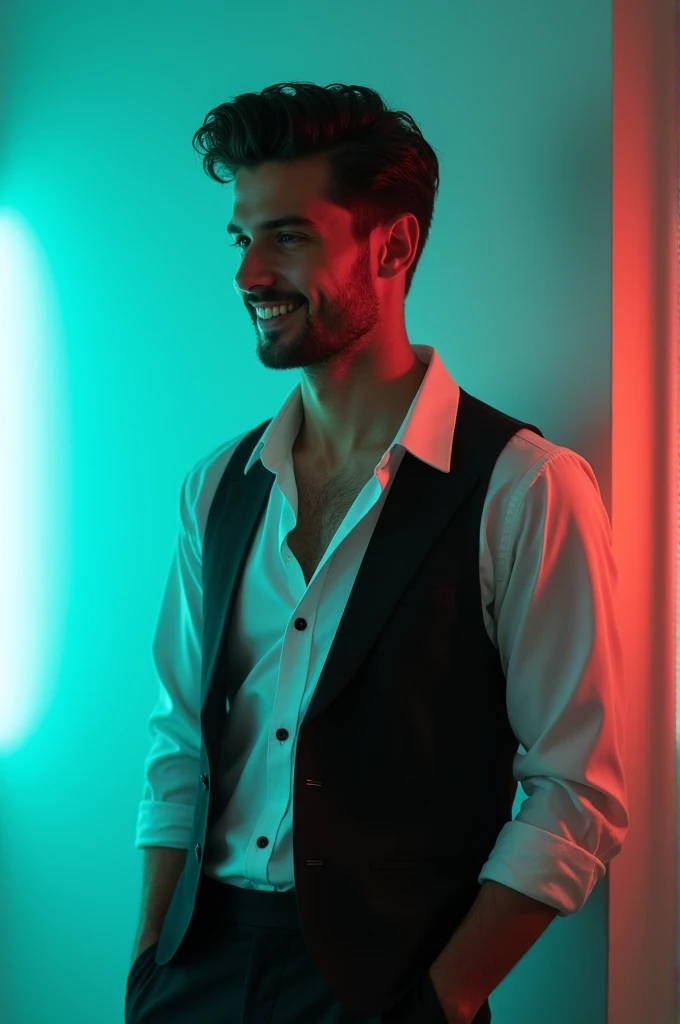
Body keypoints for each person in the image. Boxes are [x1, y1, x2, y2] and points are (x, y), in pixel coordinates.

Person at [125, 82, 628, 1024]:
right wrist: (149, 963)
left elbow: (577, 794)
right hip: (195, 970)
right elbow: (177, 744)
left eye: (289, 236)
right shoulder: (216, 485)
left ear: (392, 246)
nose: (248, 274)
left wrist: (441, 1003)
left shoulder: (526, 487)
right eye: (243, 238)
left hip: (387, 987)